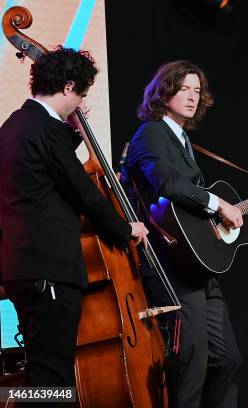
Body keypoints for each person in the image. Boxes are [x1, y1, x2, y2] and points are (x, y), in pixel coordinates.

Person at [126, 60, 248, 408]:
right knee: (191, 364)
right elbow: (166, 183)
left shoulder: (182, 139)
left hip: (197, 268)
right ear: (164, 93)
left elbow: (194, 214)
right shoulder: (151, 133)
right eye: (184, 89)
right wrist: (219, 204)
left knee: (228, 360)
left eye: (197, 90)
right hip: (172, 265)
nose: (193, 97)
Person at [0, 46, 148, 389]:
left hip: (21, 267)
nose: (78, 104)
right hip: (50, 269)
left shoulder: (13, 126)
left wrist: (71, 136)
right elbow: (83, 192)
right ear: (67, 87)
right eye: (80, 94)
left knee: (41, 371)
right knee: (54, 374)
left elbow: (47, 172)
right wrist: (125, 228)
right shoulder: (46, 129)